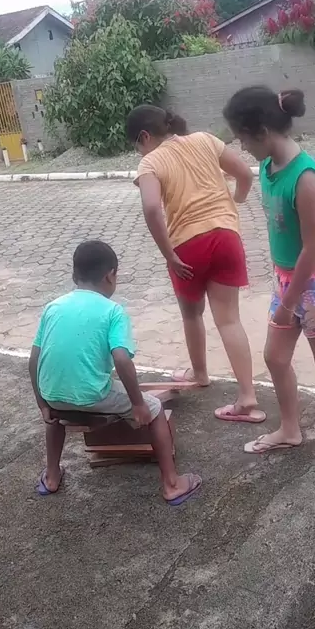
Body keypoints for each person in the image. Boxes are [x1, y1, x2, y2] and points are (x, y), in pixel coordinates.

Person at [223, 86, 315, 455]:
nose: (242, 147)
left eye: (243, 139)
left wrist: (288, 303)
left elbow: (312, 248)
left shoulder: (305, 178)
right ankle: (289, 429)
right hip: (287, 279)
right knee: (275, 357)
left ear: (262, 132)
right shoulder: (268, 166)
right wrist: (284, 293)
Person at [28, 240, 201, 505]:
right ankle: (172, 484)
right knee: (154, 409)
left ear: (74, 275)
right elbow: (121, 358)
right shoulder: (113, 311)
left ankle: (51, 476)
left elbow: (34, 360)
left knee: (55, 418)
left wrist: (42, 404)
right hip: (92, 396)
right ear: (110, 275)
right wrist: (138, 403)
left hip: (52, 397)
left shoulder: (53, 307)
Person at [126, 104, 266, 424]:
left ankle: (200, 373)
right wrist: (235, 202)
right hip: (227, 237)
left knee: (192, 313)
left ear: (144, 136)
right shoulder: (205, 139)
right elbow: (245, 174)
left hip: (188, 245)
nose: (138, 152)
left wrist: (169, 255)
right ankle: (247, 395)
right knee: (229, 320)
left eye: (136, 145)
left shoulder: (150, 162)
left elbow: (151, 208)